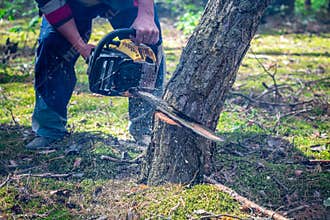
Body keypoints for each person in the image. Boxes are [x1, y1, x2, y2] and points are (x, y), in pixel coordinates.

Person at [26, 0, 165, 149]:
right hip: (71, 4)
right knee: (52, 45)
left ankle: (146, 128)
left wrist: (147, 14)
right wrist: (81, 46)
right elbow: (51, 4)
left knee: (147, 44)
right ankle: (49, 129)